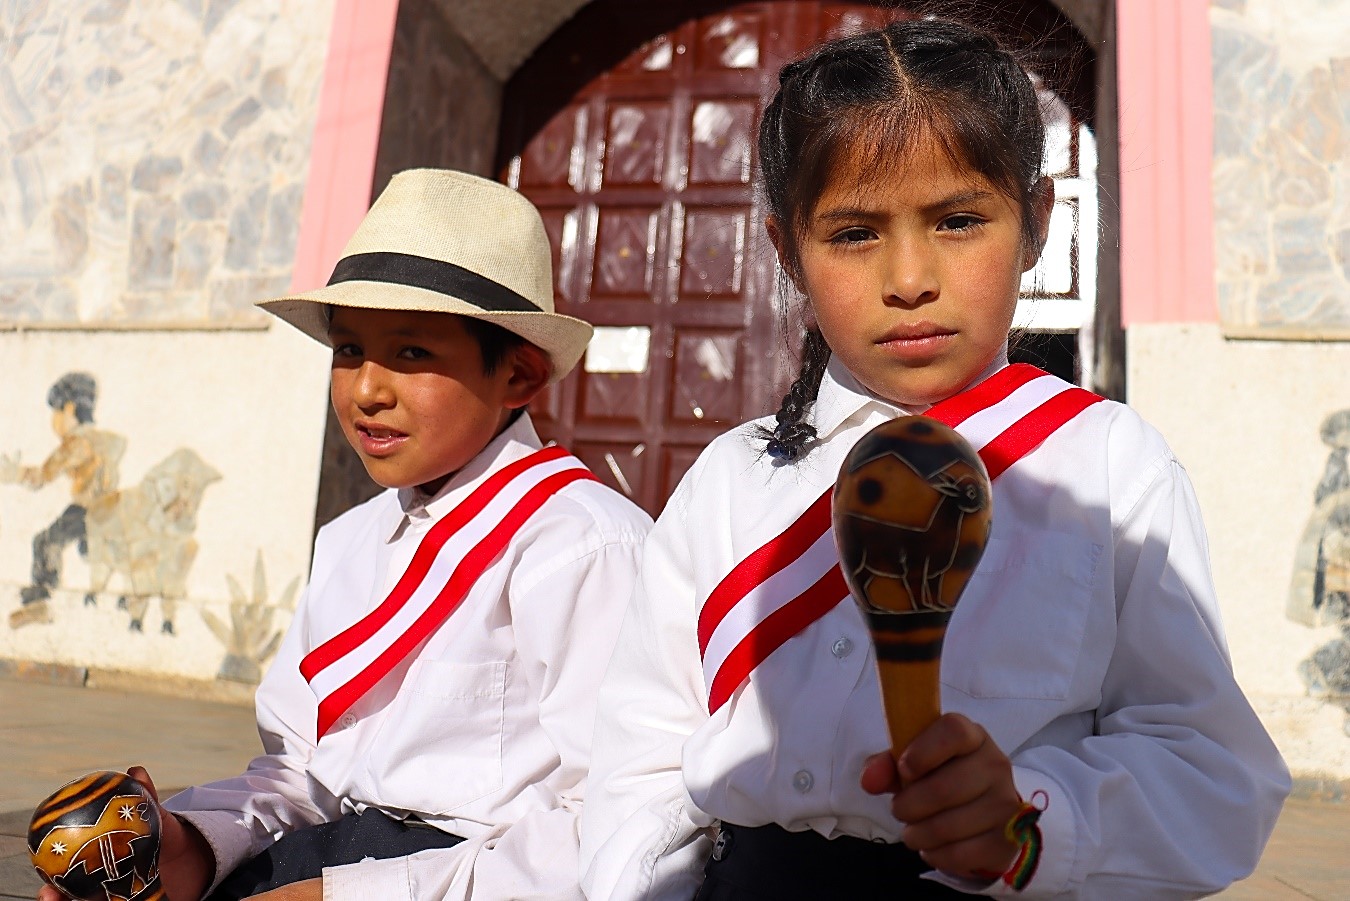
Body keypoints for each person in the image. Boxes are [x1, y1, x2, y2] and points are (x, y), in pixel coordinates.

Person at [579, 18, 1289, 900]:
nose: (909, 278)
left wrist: (1030, 824)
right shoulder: (731, 481)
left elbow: (1211, 771)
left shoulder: (1108, 467)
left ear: (1036, 223)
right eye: (854, 233)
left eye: (957, 220)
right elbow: (639, 760)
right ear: (787, 251)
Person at [36, 169, 651, 901]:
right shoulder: (351, 540)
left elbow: (614, 825)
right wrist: (188, 845)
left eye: (412, 354)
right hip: (332, 858)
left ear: (518, 376)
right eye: (349, 350)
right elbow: (305, 772)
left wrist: (348, 894)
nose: (366, 390)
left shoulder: (582, 547)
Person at [1, 371, 125, 627]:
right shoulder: (101, 440)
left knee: (45, 542)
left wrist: (13, 474)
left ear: (69, 409)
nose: (54, 422)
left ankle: (39, 603)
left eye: (55, 414)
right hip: (110, 510)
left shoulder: (76, 443)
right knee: (97, 552)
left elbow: (44, 475)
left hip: (86, 509)